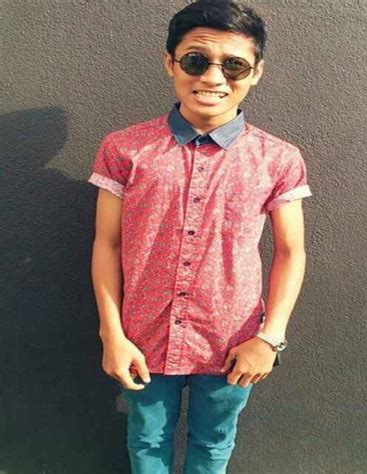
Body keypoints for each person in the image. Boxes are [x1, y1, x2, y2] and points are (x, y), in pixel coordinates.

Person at [88, 0, 313, 472]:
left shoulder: (279, 159)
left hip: (234, 343)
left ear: (255, 72)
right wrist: (112, 334)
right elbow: (107, 244)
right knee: (146, 440)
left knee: (213, 444)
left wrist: (270, 339)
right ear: (170, 63)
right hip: (143, 337)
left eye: (233, 65)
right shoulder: (124, 149)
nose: (213, 77)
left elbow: (291, 252)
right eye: (196, 60)